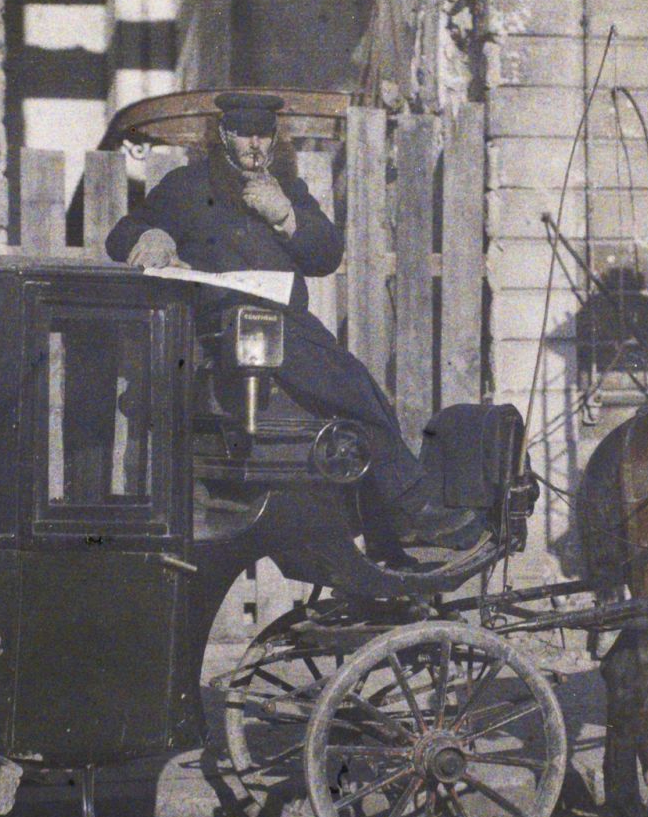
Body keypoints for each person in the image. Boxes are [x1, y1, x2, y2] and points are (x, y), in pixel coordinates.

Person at [105, 92, 483, 549]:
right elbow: (121, 232)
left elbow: (327, 254)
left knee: (356, 388)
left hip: (290, 323)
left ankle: (391, 516)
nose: (255, 145)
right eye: (244, 134)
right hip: (228, 329)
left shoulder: (286, 187)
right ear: (223, 135)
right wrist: (152, 235)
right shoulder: (187, 185)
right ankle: (409, 506)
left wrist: (286, 216)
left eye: (263, 134)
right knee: (350, 386)